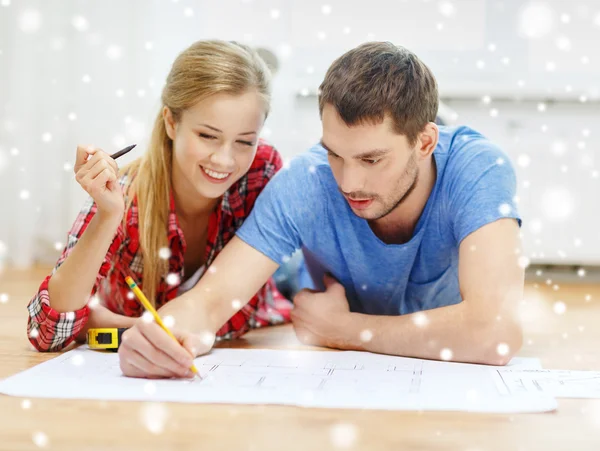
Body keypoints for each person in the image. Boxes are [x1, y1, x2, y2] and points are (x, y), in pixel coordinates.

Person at [118, 41, 525, 379]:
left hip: (349, 314)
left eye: (371, 160)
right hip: (310, 282)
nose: (349, 184)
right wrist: (161, 333)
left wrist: (346, 331)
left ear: (424, 143)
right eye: (335, 154)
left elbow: (495, 333)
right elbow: (210, 301)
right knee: (295, 281)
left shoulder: (479, 168)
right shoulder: (308, 181)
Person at [27, 40, 296, 360]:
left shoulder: (261, 168)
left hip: (280, 285)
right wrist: (108, 215)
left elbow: (241, 311)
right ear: (171, 122)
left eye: (244, 141)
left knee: (304, 279)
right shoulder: (127, 190)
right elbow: (47, 332)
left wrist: (107, 326)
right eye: (207, 136)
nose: (224, 160)